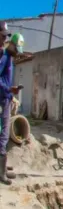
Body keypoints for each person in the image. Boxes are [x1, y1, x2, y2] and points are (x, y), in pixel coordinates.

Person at [0, 32, 24, 185]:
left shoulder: (9, 59)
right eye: (17, 50)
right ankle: (1, 173)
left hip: (6, 98)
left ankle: (2, 168)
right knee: (3, 134)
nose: (17, 54)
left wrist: (11, 93)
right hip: (2, 99)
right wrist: (9, 90)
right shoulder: (4, 57)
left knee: (5, 133)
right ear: (12, 44)